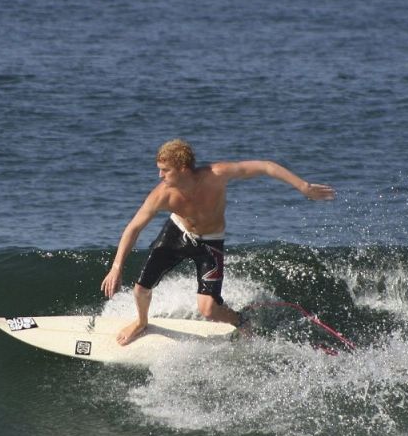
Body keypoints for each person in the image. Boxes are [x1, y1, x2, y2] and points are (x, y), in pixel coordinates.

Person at [100, 138, 336, 346]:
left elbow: (266, 166)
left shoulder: (217, 175)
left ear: (183, 169)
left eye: (165, 170)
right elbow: (134, 228)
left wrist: (303, 186)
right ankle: (141, 321)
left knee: (209, 309)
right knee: (141, 289)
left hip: (210, 242)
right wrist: (116, 267)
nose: (160, 175)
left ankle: (240, 320)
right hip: (177, 233)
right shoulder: (162, 195)